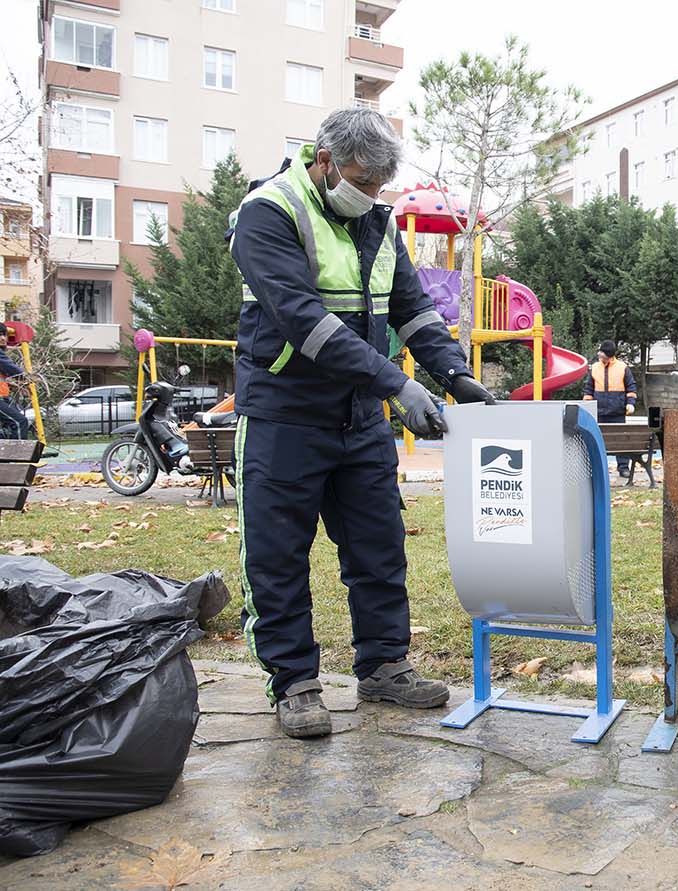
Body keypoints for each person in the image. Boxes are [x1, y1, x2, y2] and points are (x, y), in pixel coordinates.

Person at [229, 107, 495, 739]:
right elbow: (304, 320)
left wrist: (454, 374)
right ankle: (293, 683)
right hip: (284, 416)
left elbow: (412, 309)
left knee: (379, 548)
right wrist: (396, 383)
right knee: (277, 556)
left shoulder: (378, 220)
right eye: (361, 181)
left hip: (359, 418)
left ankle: (384, 666)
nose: (371, 194)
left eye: (380, 185)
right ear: (324, 160)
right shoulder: (268, 213)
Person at [583, 339, 637, 477]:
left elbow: (631, 387)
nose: (600, 355)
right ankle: (599, 469)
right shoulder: (595, 368)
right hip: (599, 412)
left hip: (617, 412)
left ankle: (623, 467)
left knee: (619, 440)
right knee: (600, 441)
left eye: (602, 353)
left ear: (608, 354)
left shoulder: (622, 368)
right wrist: (587, 405)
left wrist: (630, 403)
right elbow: (588, 389)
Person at [0, 349, 28, 439]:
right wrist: (26, 377)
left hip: (4, 396)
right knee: (19, 422)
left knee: (8, 429)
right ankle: (19, 448)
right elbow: (12, 369)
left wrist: (9, 384)